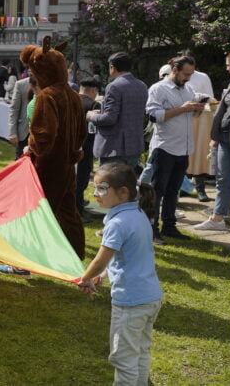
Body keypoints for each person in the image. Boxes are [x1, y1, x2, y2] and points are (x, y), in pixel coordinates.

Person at [77, 163, 162, 386]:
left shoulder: (117, 223)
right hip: (150, 297)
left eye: (102, 188)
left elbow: (99, 261)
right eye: (95, 188)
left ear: (123, 192)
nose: (96, 194)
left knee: (123, 358)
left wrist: (85, 278)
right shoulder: (139, 214)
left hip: (130, 302)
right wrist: (107, 273)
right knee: (140, 351)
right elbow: (129, 254)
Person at [17, 38, 88, 260]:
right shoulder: (73, 95)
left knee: (36, 211)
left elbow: (43, 135)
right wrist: (73, 151)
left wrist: (31, 149)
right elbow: (82, 131)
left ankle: (29, 260)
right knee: (68, 211)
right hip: (67, 163)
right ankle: (75, 253)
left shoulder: (46, 96)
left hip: (47, 166)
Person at [145, 55, 209, 243]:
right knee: (157, 191)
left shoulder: (188, 89)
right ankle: (151, 229)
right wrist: (183, 108)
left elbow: (189, 115)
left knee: (173, 190)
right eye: (186, 74)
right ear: (174, 70)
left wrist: (197, 109)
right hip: (164, 147)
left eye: (191, 74)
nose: (188, 78)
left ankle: (169, 226)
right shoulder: (158, 89)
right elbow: (153, 116)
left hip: (184, 147)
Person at [195, 49, 230, 238]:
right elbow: (225, 109)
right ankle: (217, 219)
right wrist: (215, 137)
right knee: (223, 178)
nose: (227, 68)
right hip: (225, 138)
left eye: (229, 64)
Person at [86, 52, 148, 169]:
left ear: (112, 67)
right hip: (134, 146)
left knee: (108, 180)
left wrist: (91, 116)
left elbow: (109, 118)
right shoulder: (142, 85)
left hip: (114, 148)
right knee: (127, 180)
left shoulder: (114, 86)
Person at [180, 50, 216, 202]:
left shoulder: (202, 77)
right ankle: (182, 188)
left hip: (200, 121)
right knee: (180, 154)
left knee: (199, 154)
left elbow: (211, 99)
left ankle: (200, 188)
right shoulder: (174, 76)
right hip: (180, 119)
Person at [76, 79, 102, 222]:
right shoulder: (94, 105)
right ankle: (78, 211)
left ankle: (76, 207)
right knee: (81, 182)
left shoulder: (71, 101)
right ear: (93, 90)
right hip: (86, 148)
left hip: (69, 147)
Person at [7, 72, 31, 160]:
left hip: (43, 133)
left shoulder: (50, 83)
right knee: (21, 161)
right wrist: (12, 132)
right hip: (24, 131)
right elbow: (14, 109)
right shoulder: (21, 84)